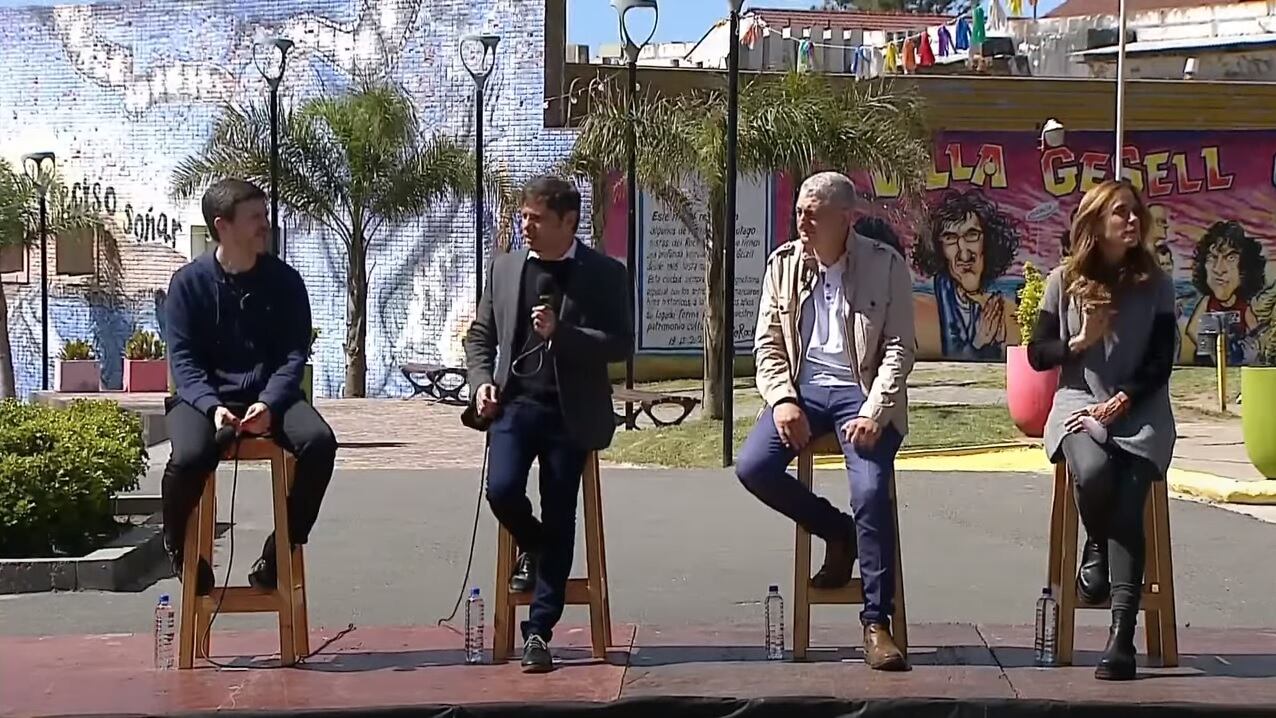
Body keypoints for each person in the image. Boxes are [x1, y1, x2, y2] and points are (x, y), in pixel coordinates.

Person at [736, 171, 915, 671]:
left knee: (871, 490)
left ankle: (877, 623)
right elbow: (768, 344)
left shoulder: (884, 265)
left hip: (863, 392)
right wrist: (782, 400)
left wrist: (876, 411)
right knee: (753, 466)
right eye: (799, 211)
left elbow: (901, 349)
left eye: (813, 213)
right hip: (806, 391)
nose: (802, 221)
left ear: (845, 218)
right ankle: (839, 532)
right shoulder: (784, 265)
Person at [463, 176, 633, 673]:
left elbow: (621, 343)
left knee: (562, 509)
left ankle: (539, 630)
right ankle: (534, 546)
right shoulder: (506, 268)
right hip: (515, 406)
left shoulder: (603, 273)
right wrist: (480, 383)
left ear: (568, 222)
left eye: (536, 219)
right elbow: (480, 337)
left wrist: (565, 333)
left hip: (571, 413)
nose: (525, 227)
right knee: (502, 490)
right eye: (523, 217)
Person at [1026, 179, 1177, 681]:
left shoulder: (1156, 284)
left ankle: (1122, 638)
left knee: (1130, 493)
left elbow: (1161, 361)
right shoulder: (1063, 280)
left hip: (1139, 406)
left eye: (1136, 213)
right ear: (1096, 223)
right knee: (1090, 474)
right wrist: (1082, 340)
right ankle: (1097, 538)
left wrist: (1125, 398)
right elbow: (1038, 353)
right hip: (1078, 403)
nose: (1132, 221)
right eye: (1121, 214)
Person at [162, 178, 338, 595]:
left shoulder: (286, 281)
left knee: (320, 443)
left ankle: (280, 552)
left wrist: (270, 404)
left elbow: (294, 355)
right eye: (255, 218)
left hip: (269, 395)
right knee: (189, 455)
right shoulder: (187, 284)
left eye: (265, 215)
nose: (265, 225)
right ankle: (179, 547)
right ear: (223, 226)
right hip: (203, 397)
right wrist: (211, 407)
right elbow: (183, 362)